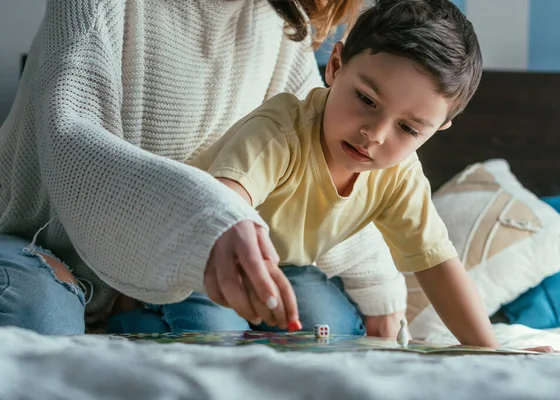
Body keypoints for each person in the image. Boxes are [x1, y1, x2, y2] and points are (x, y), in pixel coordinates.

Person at [0, 0, 404, 336]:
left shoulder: (281, 21)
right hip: (38, 242)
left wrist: (379, 290)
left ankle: (136, 316)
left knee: (322, 322)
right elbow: (70, 138)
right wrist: (211, 216)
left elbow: (313, 170)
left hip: (178, 259)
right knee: (41, 316)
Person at [184, 0, 499, 346]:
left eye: (408, 129)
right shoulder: (280, 132)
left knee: (334, 332)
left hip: (286, 266)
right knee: (215, 336)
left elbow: (438, 266)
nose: (375, 135)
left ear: (438, 128)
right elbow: (222, 202)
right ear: (335, 66)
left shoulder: (399, 176)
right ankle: (140, 308)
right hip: (200, 252)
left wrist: (491, 351)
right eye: (366, 99)